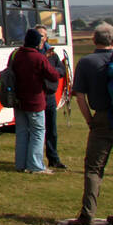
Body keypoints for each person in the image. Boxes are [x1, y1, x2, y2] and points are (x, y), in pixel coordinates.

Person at [67, 24, 113, 225]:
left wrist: (89, 120)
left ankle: (87, 215)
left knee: (93, 169)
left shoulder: (87, 62)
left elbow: (80, 96)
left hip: (102, 118)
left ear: (94, 40)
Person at [10, 29, 59, 173]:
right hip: (35, 101)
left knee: (22, 132)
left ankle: (21, 164)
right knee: (38, 132)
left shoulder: (17, 54)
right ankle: (35, 165)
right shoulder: (38, 57)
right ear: (37, 43)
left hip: (18, 100)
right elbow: (53, 75)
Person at [37, 24, 70, 170]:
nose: (41, 38)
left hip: (50, 95)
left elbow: (61, 70)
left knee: (52, 129)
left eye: (43, 35)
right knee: (37, 129)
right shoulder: (33, 53)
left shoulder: (52, 54)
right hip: (37, 95)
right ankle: (36, 160)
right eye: (38, 35)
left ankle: (53, 158)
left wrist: (50, 71)